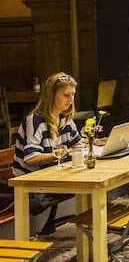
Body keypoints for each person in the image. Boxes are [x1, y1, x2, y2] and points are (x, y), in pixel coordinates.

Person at [12, 73, 87, 215]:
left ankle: (90, 226)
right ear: (51, 96)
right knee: (90, 185)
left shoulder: (65, 119)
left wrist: (93, 143)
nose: (71, 99)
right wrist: (65, 152)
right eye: (66, 95)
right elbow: (30, 159)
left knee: (90, 181)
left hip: (53, 176)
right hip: (30, 182)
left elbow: (77, 145)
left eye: (73, 95)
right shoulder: (35, 121)